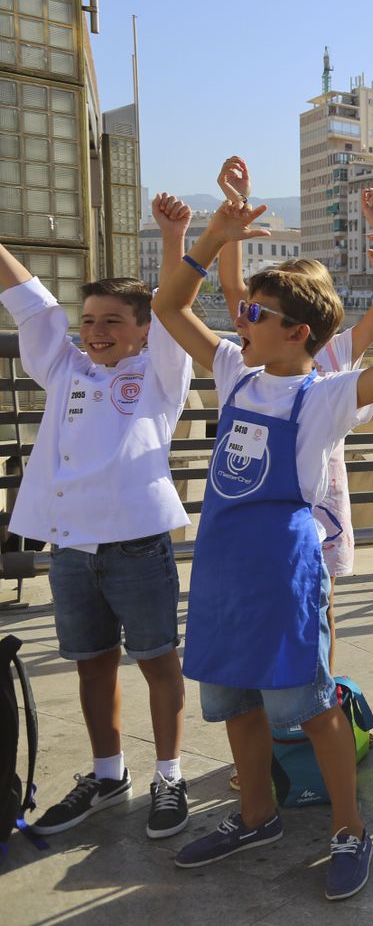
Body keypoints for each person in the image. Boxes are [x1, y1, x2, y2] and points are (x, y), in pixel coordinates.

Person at [153, 188, 373, 900]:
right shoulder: (235, 373)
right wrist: (211, 237)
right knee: (234, 702)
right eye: (244, 311)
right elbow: (168, 307)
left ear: (298, 332)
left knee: (310, 704)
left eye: (255, 314)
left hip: (283, 570)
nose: (239, 318)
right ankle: (256, 813)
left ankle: (348, 827)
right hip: (221, 570)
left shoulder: (327, 395)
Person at [0, 226, 192, 840]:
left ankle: (170, 774)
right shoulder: (64, 370)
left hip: (138, 545)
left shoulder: (162, 377)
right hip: (71, 550)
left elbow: (173, 306)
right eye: (89, 320)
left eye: (114, 320)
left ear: (143, 329)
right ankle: (108, 775)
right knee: (91, 665)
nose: (97, 330)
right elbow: (32, 301)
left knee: (159, 662)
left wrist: (177, 238)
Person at [215, 157, 373, 672]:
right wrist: (233, 222)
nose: (257, 311)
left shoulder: (336, 353)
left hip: (320, 490)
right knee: (272, 600)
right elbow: (232, 290)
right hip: (266, 489)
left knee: (321, 604)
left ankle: (322, 689)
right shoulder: (255, 344)